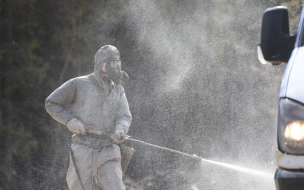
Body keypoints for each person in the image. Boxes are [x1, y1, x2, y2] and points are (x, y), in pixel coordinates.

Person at [45, 45, 132, 190]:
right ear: (102, 64)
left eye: (118, 63)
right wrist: (70, 121)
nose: (116, 67)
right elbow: (51, 102)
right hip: (82, 150)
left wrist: (121, 130)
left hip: (109, 149)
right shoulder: (78, 83)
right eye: (113, 63)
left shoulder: (118, 89)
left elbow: (124, 116)